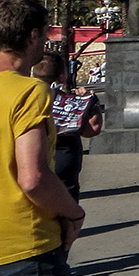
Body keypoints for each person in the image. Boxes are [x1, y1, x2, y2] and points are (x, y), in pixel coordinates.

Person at [0, 0, 89, 276]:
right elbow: (33, 178)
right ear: (32, 36)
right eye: (44, 35)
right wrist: (73, 213)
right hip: (24, 246)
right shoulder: (29, 92)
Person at [31, 53, 102, 203]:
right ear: (62, 77)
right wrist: (92, 103)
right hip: (64, 157)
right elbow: (92, 129)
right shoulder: (70, 101)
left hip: (31, 157)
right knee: (66, 197)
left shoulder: (22, 98)